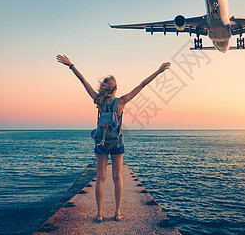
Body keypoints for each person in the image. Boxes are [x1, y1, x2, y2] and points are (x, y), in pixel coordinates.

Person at [56, 54, 171, 223]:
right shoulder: (122, 101)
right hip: (117, 142)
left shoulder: (98, 100)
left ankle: (99, 214)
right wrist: (159, 71)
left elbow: (83, 81)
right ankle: (117, 213)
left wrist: (70, 65)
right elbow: (143, 85)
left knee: (100, 177)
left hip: (101, 142)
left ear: (104, 89)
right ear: (115, 88)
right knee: (117, 177)